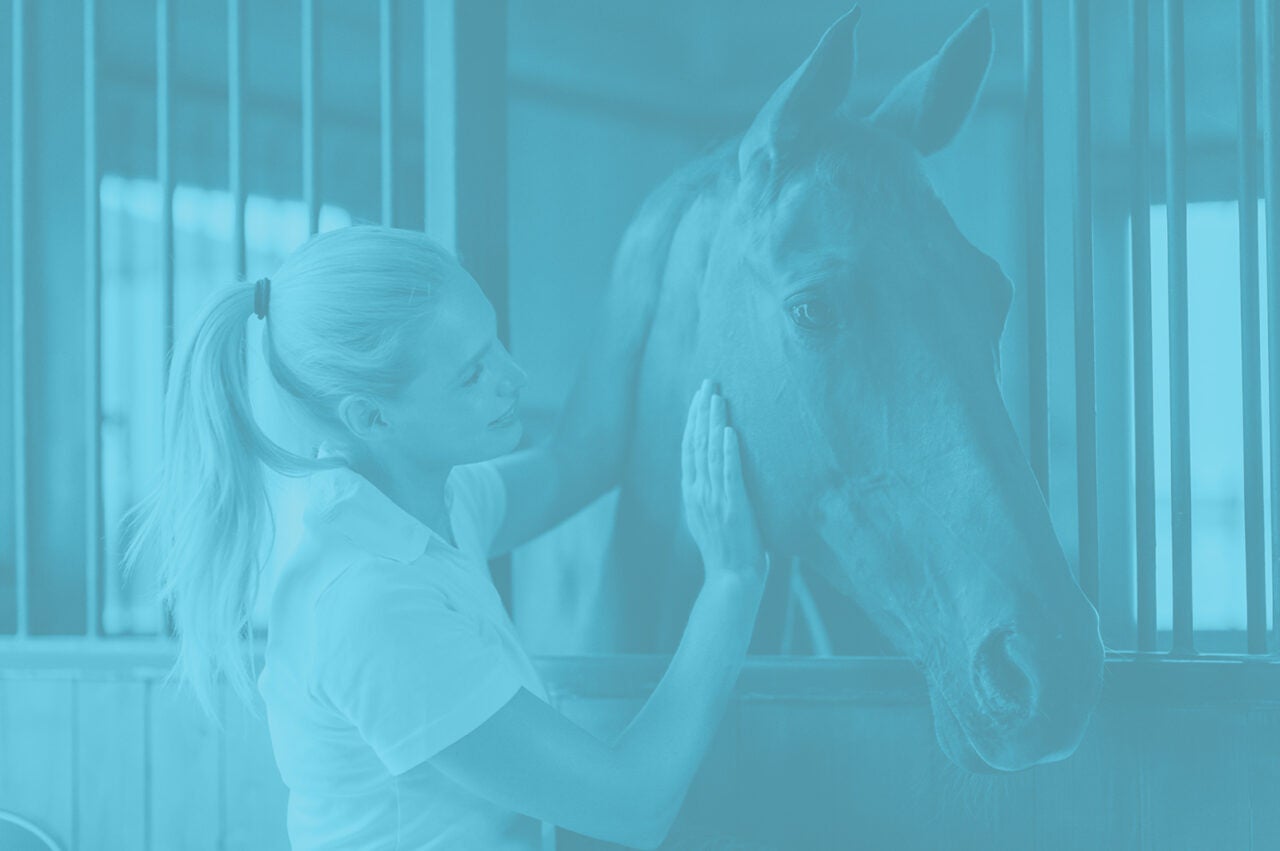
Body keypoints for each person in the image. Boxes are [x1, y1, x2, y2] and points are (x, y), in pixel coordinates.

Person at [123, 225, 770, 850]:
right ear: (371, 416)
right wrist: (732, 584)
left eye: (496, 343)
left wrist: (649, 251)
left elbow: (579, 458)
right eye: (471, 374)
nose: (514, 378)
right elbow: (634, 806)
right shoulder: (365, 599)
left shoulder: (432, 498)